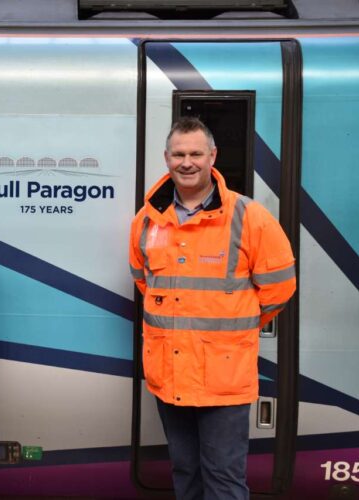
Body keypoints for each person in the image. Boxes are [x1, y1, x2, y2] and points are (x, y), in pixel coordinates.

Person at [129, 117, 296, 499]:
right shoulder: (147, 219)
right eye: (179, 154)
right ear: (166, 158)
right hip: (169, 376)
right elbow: (144, 280)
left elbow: (279, 288)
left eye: (195, 154)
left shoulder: (248, 216)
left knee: (223, 479)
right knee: (185, 473)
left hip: (223, 380)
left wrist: (232, 329)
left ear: (212, 157)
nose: (187, 162)